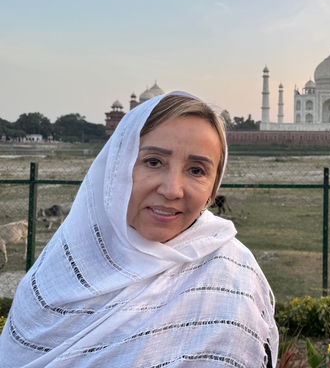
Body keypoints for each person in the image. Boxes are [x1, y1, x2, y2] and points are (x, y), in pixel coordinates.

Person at [0, 93, 278, 367]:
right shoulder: (53, 277)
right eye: (153, 162)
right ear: (117, 168)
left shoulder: (231, 277)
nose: (172, 190)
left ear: (212, 189)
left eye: (196, 170)